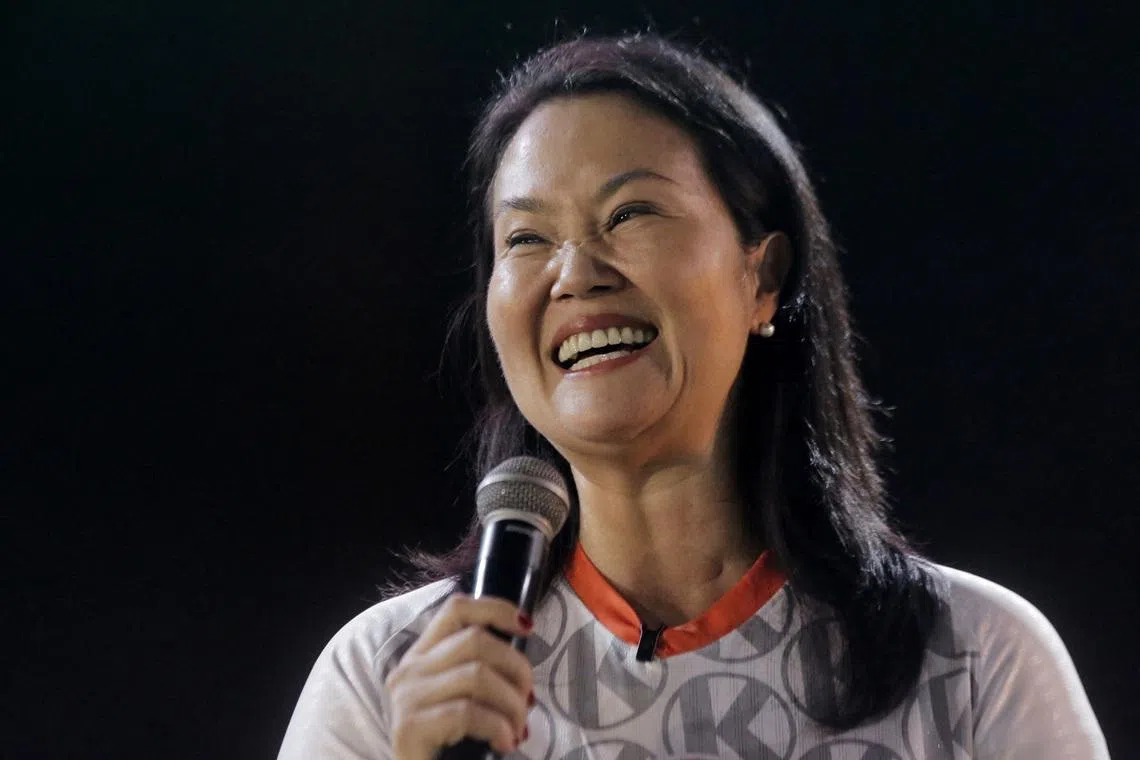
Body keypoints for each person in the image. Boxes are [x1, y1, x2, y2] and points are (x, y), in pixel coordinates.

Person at [278, 34, 1109, 759]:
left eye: (630, 212)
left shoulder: (972, 660)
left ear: (764, 277)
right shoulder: (386, 678)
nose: (575, 274)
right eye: (527, 238)